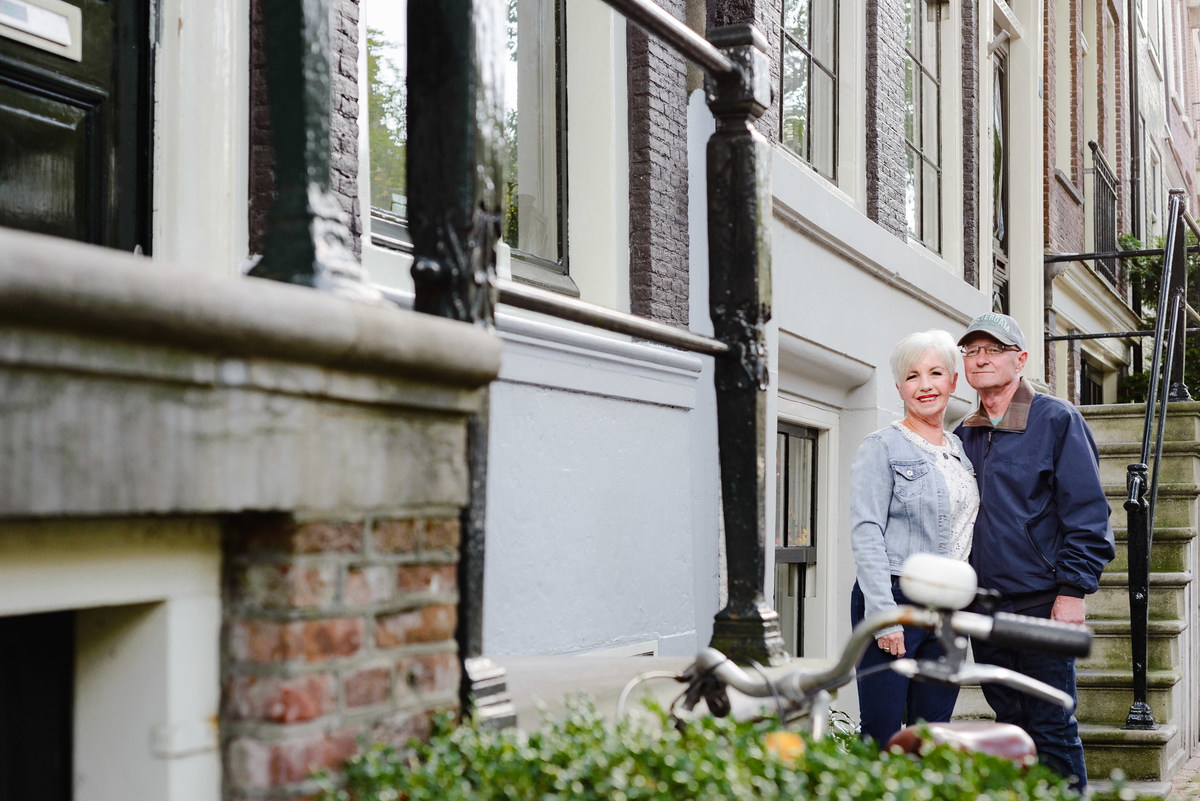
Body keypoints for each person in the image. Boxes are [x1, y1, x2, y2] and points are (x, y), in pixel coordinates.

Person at [953, 312, 1115, 791]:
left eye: (992, 350)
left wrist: (1072, 592)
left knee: (1052, 724)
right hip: (984, 605)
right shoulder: (965, 432)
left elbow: (1087, 513)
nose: (980, 359)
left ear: (1020, 360)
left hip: (1041, 602)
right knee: (1009, 724)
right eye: (971, 351)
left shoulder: (1056, 419)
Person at [850, 329, 980, 746]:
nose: (925, 385)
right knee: (882, 735)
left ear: (953, 382)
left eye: (935, 373)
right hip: (896, 599)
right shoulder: (882, 447)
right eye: (912, 376)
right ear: (899, 388)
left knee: (931, 738)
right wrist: (884, 615)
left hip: (949, 611)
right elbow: (866, 531)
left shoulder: (961, 451)